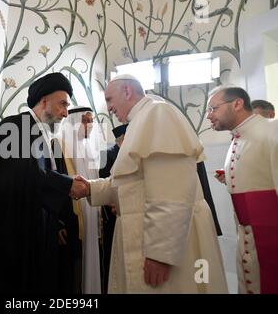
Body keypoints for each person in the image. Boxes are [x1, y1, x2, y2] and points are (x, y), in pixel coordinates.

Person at [75, 74, 228, 293]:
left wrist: (160, 254)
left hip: (166, 245)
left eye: (109, 99)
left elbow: (172, 190)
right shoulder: (141, 120)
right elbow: (131, 183)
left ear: (127, 91)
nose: (108, 108)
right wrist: (89, 188)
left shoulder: (158, 113)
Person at [0, 72, 88, 294]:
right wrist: (66, 185)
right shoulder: (15, 126)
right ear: (44, 101)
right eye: (62, 104)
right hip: (9, 235)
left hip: (31, 231)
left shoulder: (40, 133)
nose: (66, 112)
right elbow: (24, 174)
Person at [207, 86, 278, 294]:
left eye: (213, 109)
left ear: (237, 104)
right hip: (247, 237)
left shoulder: (272, 131)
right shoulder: (236, 139)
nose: (209, 116)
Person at [59, 106, 102, 294]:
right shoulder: (58, 146)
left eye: (91, 121)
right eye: (85, 120)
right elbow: (54, 186)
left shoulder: (89, 149)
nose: (90, 125)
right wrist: (57, 223)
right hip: (70, 222)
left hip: (90, 217)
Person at [99, 123, 127, 293]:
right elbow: (104, 182)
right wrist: (113, 203)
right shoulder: (108, 154)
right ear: (121, 140)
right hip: (111, 214)